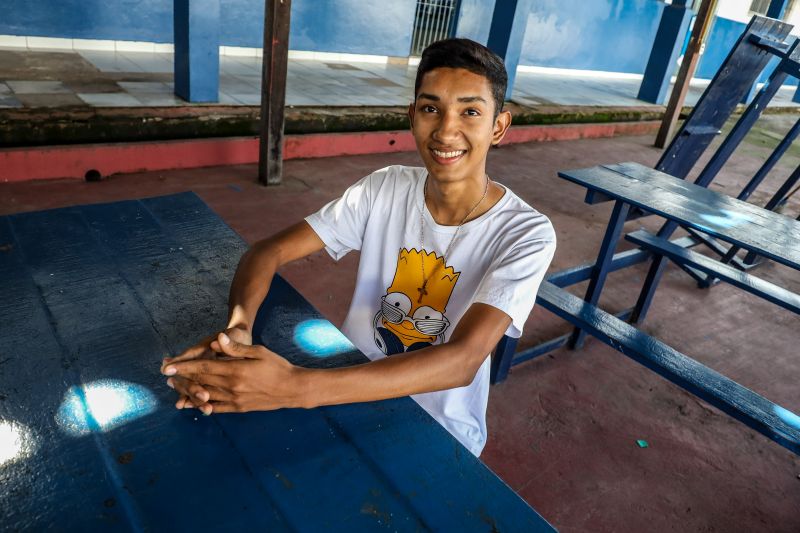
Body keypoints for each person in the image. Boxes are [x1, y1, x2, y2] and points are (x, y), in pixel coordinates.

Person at [161, 38, 556, 456]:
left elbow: (462, 361)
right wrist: (237, 330)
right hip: (344, 385)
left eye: (470, 111)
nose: (445, 130)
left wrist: (295, 387)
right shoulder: (384, 188)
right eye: (430, 108)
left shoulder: (526, 233)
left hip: (437, 430)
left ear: (499, 126)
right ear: (412, 115)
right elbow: (268, 252)